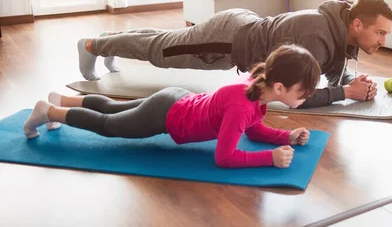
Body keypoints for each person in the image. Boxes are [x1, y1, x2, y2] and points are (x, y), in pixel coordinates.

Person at [23, 45, 321, 169]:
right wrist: (270, 158)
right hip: (166, 115)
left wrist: (287, 137)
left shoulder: (256, 89)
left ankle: (61, 99)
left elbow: (252, 130)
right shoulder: (243, 105)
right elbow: (225, 157)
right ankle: (48, 111)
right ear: (280, 88)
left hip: (176, 99)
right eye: (303, 91)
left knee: (114, 108)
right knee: (108, 126)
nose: (306, 96)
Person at [77, 0, 392, 109]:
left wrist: (354, 82)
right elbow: (299, 97)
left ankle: (110, 39)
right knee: (160, 51)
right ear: (356, 24)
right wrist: (346, 93)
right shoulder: (316, 39)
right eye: (379, 32)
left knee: (167, 40)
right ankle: (93, 44)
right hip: (227, 40)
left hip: (242, 28)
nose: (382, 40)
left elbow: (332, 73)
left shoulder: (339, 35)